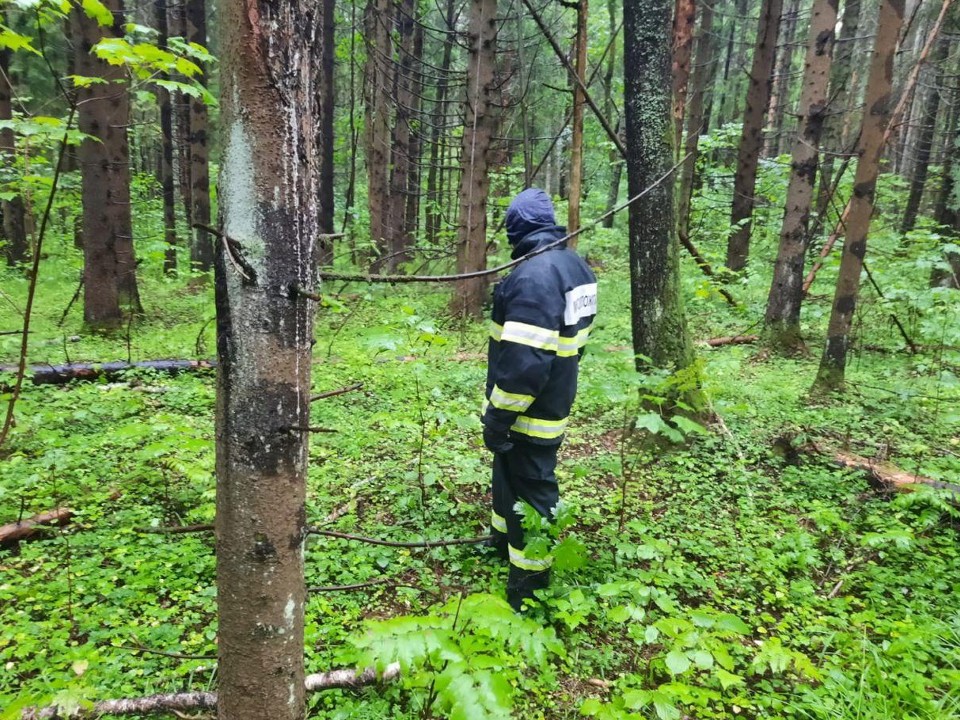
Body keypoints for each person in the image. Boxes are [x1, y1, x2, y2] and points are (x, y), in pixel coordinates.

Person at [481, 188, 597, 611]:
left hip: (529, 411)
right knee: (508, 473)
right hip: (556, 396)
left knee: (533, 486)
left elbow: (524, 365)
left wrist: (498, 418)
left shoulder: (532, 278)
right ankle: (500, 540)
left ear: (516, 229)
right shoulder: (575, 265)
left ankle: (530, 586)